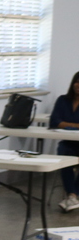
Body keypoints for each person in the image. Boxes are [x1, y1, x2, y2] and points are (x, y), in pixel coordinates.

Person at [48, 71, 79, 212]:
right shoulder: (63, 100)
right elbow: (54, 121)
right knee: (63, 154)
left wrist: (65, 124)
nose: (78, 85)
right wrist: (75, 125)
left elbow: (60, 122)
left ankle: (72, 196)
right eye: (77, 81)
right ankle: (72, 195)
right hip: (68, 143)